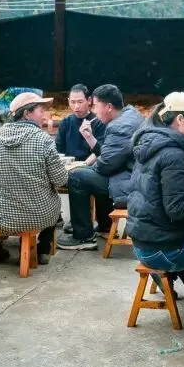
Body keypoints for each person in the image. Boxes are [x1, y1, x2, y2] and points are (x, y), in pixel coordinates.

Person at [126, 93, 184, 317]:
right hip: (164, 249)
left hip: (142, 242)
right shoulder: (174, 154)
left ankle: (183, 277)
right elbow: (177, 208)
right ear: (179, 120)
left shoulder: (150, 142)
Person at [0, 92, 67, 265]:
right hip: (38, 215)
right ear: (27, 113)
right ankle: (43, 248)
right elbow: (60, 180)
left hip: (1, 215)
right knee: (55, 203)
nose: (44, 114)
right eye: (41, 110)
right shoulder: (43, 139)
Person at [59, 84, 145, 250]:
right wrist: (91, 140)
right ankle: (100, 226)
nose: (95, 111)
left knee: (77, 177)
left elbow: (105, 166)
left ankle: (83, 236)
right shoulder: (130, 115)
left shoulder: (119, 127)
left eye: (96, 106)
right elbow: (110, 155)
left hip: (129, 182)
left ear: (109, 107)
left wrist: (86, 168)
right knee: (85, 173)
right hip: (130, 174)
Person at [56, 84, 104, 163]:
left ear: (89, 100)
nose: (76, 106)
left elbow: (102, 151)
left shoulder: (99, 121)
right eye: (73, 102)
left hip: (90, 166)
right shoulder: (65, 122)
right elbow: (58, 150)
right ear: (68, 101)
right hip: (69, 164)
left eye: (80, 102)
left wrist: (84, 165)